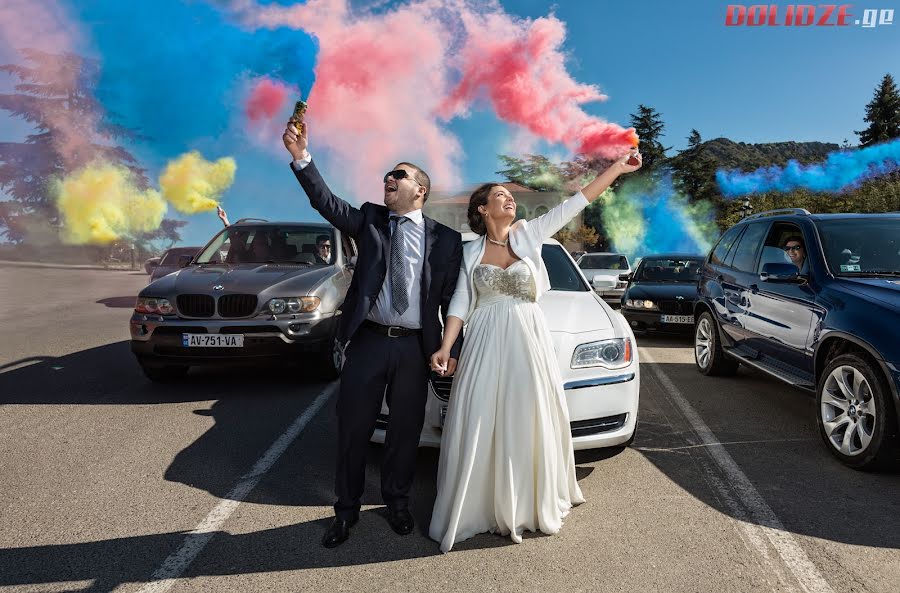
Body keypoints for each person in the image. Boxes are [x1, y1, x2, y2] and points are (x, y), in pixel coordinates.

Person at [428, 148, 642, 553]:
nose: (509, 198)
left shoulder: (530, 233)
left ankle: (526, 501)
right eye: (500, 195)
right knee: (481, 416)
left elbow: (579, 200)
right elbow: (460, 301)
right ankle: (482, 505)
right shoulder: (469, 250)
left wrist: (615, 168)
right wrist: (446, 345)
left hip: (529, 335)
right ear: (482, 208)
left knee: (528, 413)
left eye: (510, 195)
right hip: (486, 338)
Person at [282, 116, 464, 548]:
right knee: (354, 430)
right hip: (368, 341)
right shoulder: (370, 219)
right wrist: (301, 158)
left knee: (405, 432)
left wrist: (448, 347)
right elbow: (327, 203)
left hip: (414, 350)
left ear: (420, 189)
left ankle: (397, 503)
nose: (389, 177)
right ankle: (345, 511)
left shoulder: (448, 240)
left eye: (399, 174)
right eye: (388, 174)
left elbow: (452, 299)